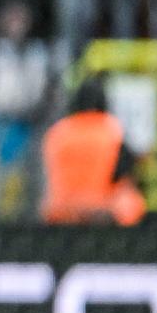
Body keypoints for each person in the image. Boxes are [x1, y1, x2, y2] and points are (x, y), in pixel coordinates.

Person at [41, 74, 144, 225]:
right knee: (131, 199)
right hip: (101, 211)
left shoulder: (57, 132)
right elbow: (123, 174)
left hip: (61, 210)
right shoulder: (111, 131)